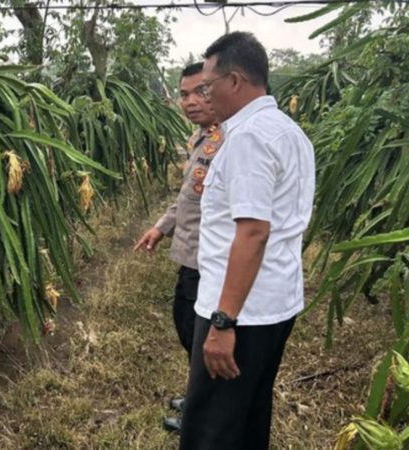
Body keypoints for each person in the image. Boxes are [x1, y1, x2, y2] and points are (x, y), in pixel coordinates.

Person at [178, 32, 315, 449]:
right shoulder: (288, 132)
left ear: (234, 81)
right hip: (271, 304)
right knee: (248, 416)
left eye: (207, 85)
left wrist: (223, 322)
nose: (204, 95)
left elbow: (253, 232)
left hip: (241, 312)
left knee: (211, 429)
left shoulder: (249, 138)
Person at [133, 62, 223, 432]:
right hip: (189, 255)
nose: (190, 101)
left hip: (209, 260)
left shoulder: (229, 142)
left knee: (201, 339)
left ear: (218, 89)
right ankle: (200, 398)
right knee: (188, 331)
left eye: (200, 92)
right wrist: (161, 227)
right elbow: (188, 197)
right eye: (183, 94)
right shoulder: (199, 139)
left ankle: (204, 415)